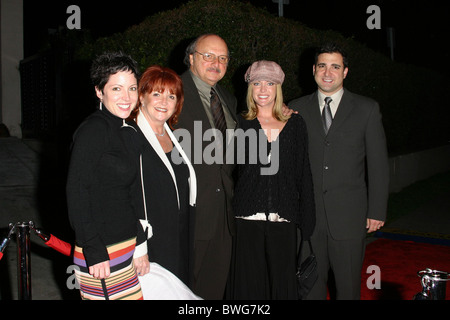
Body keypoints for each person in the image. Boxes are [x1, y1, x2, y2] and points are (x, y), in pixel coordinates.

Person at [289, 42, 389, 299]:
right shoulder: (295, 109)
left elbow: (378, 164)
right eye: (322, 65)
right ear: (313, 70)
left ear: (345, 72)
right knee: (308, 290)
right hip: (307, 220)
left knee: (347, 290)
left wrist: (376, 210)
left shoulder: (367, 109)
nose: (328, 72)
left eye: (335, 66)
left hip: (349, 218)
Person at [228, 60, 315, 299]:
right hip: (245, 218)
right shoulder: (239, 123)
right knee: (248, 288)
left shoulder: (295, 123)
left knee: (282, 287)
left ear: (278, 87)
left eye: (270, 83)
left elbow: (303, 173)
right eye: (257, 83)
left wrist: (308, 219)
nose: (263, 89)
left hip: (284, 217)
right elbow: (225, 169)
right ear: (250, 87)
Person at [66, 52, 149, 300]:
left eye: (132, 88)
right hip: (101, 252)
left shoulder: (129, 131)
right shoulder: (93, 130)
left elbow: (134, 192)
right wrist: (93, 249)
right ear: (99, 92)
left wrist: (140, 245)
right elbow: (77, 191)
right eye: (116, 88)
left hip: (126, 246)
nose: (127, 97)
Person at [173, 34, 238, 299]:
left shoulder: (228, 98)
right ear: (191, 58)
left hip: (223, 214)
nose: (216, 63)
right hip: (188, 213)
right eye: (208, 56)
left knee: (213, 289)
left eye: (222, 58)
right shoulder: (171, 91)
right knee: (182, 291)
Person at [124, 65, 197, 290]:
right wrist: (138, 248)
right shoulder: (130, 137)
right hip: (150, 244)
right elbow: (125, 197)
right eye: (156, 93)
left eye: (171, 96)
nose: (164, 102)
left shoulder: (170, 134)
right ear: (142, 97)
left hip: (177, 238)